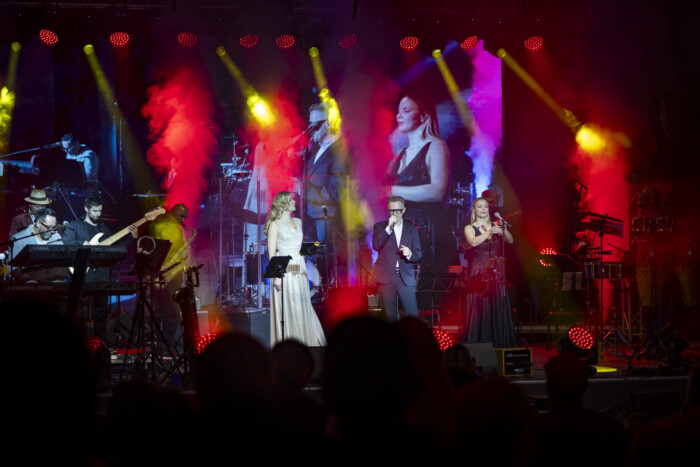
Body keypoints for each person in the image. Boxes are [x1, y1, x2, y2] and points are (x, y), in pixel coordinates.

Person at [63, 194, 136, 344]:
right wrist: (82, 243)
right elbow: (65, 243)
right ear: (86, 208)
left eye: (100, 211)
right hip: (82, 274)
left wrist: (132, 239)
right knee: (80, 312)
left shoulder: (103, 228)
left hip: (102, 274)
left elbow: (113, 249)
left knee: (101, 312)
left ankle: (101, 345)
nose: (98, 214)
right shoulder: (75, 225)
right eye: (95, 211)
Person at [388, 93, 449, 271]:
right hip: (404, 233)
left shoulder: (436, 146)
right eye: (398, 111)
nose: (399, 115)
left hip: (428, 233)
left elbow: (438, 191)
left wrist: (391, 191)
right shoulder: (401, 153)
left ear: (424, 116)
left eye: (406, 111)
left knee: (424, 285)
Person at [265, 191, 326, 347]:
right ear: (283, 204)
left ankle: (305, 341)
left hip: (299, 267)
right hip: (284, 269)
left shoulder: (298, 221)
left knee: (302, 304)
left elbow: (297, 247)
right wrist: (276, 276)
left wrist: (311, 248)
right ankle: (290, 344)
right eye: (290, 200)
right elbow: (272, 253)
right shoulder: (274, 225)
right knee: (289, 306)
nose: (294, 202)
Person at [462, 197, 515, 347]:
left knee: (496, 304)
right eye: (480, 206)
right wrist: (489, 232)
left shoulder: (496, 224)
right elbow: (473, 242)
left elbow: (510, 240)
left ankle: (498, 343)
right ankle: (478, 343)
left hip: (496, 268)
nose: (483, 209)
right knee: (480, 304)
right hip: (479, 268)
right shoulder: (469, 228)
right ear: (474, 210)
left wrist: (503, 231)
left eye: (485, 206)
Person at [370, 196, 423, 323]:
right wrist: (388, 228)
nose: (394, 213)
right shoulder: (380, 227)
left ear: (403, 210)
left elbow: (418, 254)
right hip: (385, 277)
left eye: (397, 210)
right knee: (389, 317)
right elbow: (376, 245)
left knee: (413, 316)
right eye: (391, 210)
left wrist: (409, 254)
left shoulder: (411, 230)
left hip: (405, 277)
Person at [303, 103, 346, 245]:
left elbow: (337, 192)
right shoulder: (315, 148)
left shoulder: (341, 151)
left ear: (328, 124)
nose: (310, 130)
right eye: (309, 125)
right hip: (310, 217)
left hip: (327, 219)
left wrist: (303, 189)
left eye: (314, 125)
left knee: (323, 256)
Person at [9, 207, 65, 282]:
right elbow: (12, 267)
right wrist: (26, 280)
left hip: (53, 280)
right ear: (38, 223)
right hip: (30, 282)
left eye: (54, 227)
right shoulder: (19, 239)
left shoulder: (56, 237)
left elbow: (63, 259)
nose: (52, 231)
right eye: (49, 227)